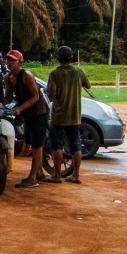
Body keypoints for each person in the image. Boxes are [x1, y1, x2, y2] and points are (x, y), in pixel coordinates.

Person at [45, 45, 93, 184]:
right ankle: (76, 175)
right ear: (71, 58)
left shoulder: (55, 74)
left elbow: (51, 93)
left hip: (59, 116)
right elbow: (88, 85)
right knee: (76, 146)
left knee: (57, 146)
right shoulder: (78, 72)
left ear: (58, 58)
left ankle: (57, 175)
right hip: (75, 115)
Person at [3, 49, 50, 189]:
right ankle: (39, 172)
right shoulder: (8, 78)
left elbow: (35, 97)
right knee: (30, 142)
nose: (10, 63)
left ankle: (33, 177)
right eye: (8, 60)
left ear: (20, 62)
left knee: (37, 145)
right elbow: (8, 97)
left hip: (39, 112)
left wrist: (20, 109)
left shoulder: (26, 76)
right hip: (28, 114)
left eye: (13, 60)